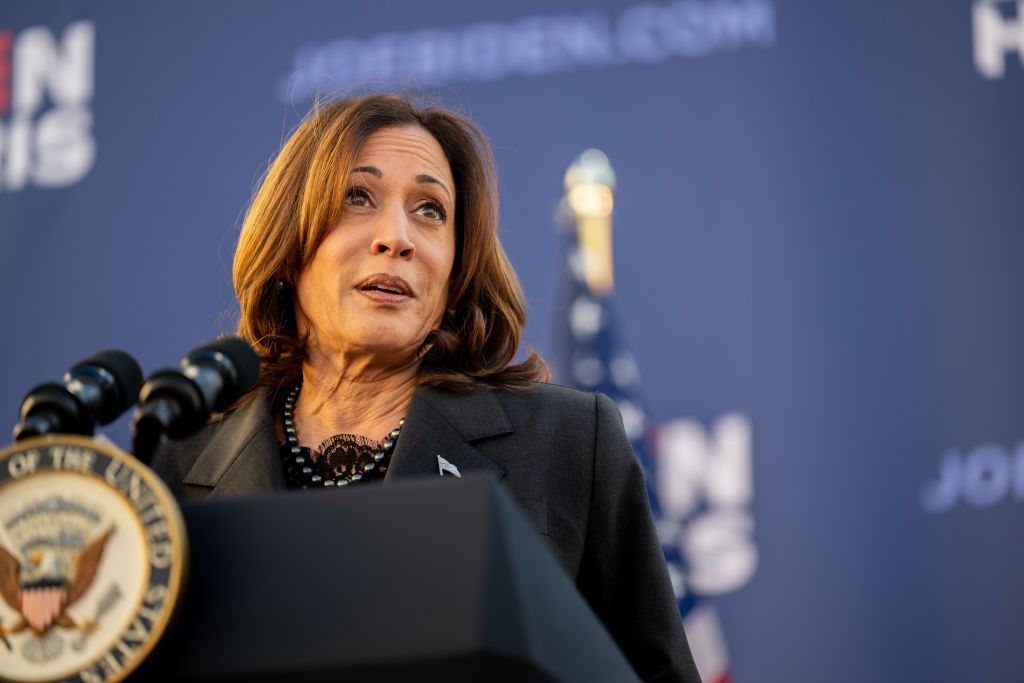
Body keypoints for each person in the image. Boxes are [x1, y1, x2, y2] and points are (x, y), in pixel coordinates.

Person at [149, 93, 700, 682]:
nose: (396, 236)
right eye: (357, 198)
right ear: (289, 246)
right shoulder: (174, 468)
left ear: (456, 274)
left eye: (430, 210)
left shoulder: (569, 443)